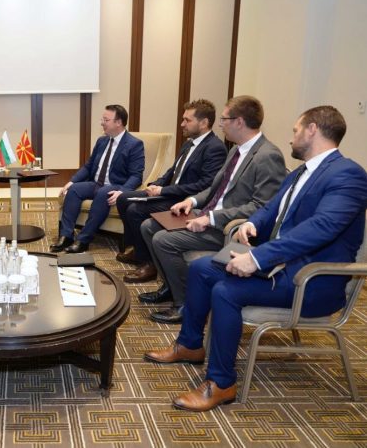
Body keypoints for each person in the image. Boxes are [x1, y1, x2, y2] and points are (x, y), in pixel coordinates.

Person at [145, 105, 367, 412]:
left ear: (313, 129)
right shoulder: (301, 172)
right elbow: (270, 208)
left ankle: (221, 383)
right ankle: (190, 345)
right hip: (281, 266)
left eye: (296, 130)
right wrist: (253, 223)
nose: (291, 138)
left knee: (226, 291)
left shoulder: (348, 175)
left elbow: (322, 227)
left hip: (311, 280)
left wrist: (258, 258)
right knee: (201, 268)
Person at [137, 95, 286, 324]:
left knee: (163, 240)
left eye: (224, 119)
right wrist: (192, 202)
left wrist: (211, 218)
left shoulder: (268, 156)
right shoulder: (236, 151)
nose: (221, 124)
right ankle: (170, 287)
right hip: (207, 213)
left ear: (239, 122)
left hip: (228, 228)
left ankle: (185, 304)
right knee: (149, 226)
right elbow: (215, 189)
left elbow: (261, 206)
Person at [114, 99, 226, 270]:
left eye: (187, 120)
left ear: (204, 123)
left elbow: (205, 186)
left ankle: (148, 262)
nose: (182, 124)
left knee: (135, 210)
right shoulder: (189, 143)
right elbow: (172, 171)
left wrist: (163, 190)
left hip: (184, 200)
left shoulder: (215, 148)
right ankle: (137, 248)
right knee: (123, 199)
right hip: (169, 193)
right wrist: (156, 184)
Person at [50, 104, 145, 253]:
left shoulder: (134, 144)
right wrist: (72, 181)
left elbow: (136, 175)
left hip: (115, 185)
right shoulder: (102, 141)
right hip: (96, 184)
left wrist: (123, 191)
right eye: (102, 119)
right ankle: (66, 235)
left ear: (118, 122)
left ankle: (83, 240)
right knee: (74, 190)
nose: (102, 123)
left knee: (103, 193)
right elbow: (88, 166)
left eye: (106, 120)